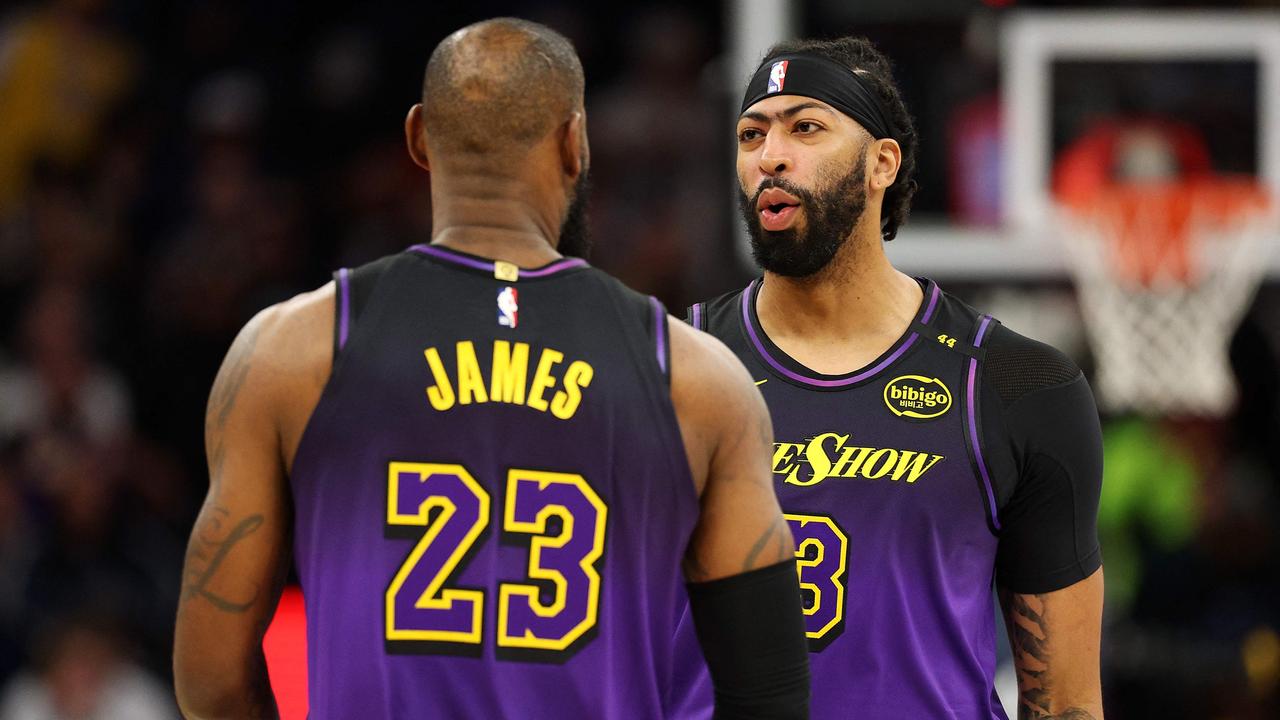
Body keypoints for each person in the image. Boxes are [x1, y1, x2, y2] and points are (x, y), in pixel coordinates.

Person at [172, 18, 810, 720]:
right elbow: (769, 695)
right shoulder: (697, 379)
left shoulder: (291, 349)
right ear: (576, 144)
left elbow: (213, 680)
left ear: (418, 138)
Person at [678, 37, 1105, 719]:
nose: (770, 156)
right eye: (751, 134)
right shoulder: (671, 365)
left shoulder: (1014, 386)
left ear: (882, 163)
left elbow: (1067, 705)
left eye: (805, 127)